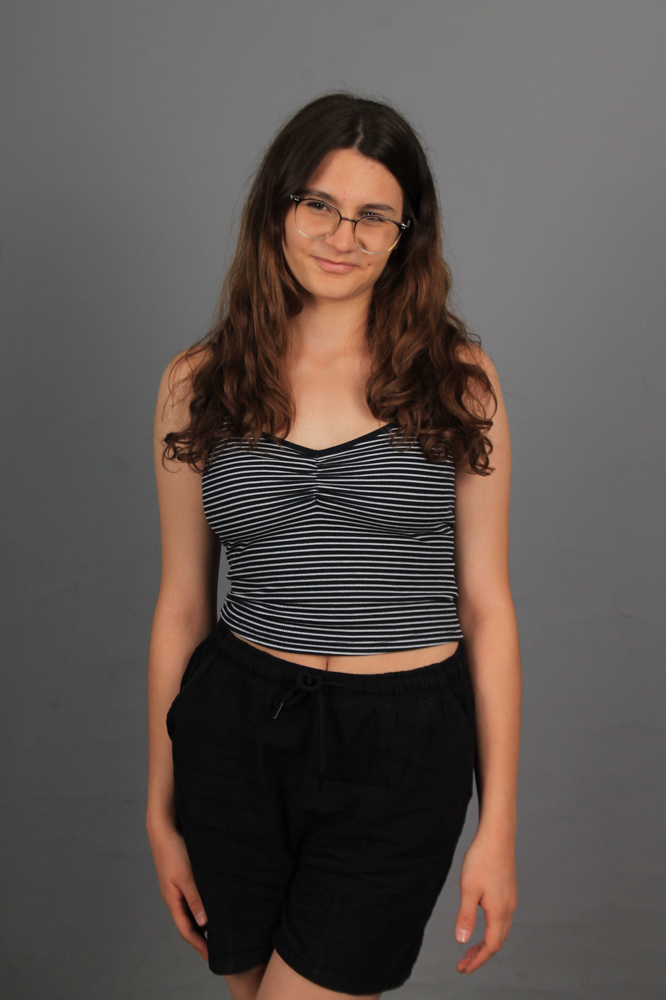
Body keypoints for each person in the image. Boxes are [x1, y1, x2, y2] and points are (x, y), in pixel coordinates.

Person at [146, 90, 521, 1000]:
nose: (341, 236)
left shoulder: (458, 379)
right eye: (318, 203)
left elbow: (486, 606)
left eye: (372, 215)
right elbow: (184, 604)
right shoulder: (199, 382)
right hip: (235, 732)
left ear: (405, 234)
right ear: (277, 208)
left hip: (402, 749)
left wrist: (499, 824)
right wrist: (159, 808)